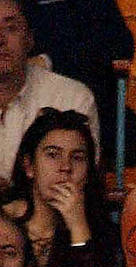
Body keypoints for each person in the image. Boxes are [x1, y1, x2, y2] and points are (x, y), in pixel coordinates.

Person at [2, 107, 123, 267]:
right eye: (52, 154)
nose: (65, 167)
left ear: (88, 173)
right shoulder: (4, 222)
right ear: (29, 166)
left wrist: (78, 228)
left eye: (77, 158)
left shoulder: (103, 234)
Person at [0, 0, 99, 185]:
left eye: (11, 28)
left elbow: (74, 184)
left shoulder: (70, 99)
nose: (0, 40)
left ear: (29, 38)